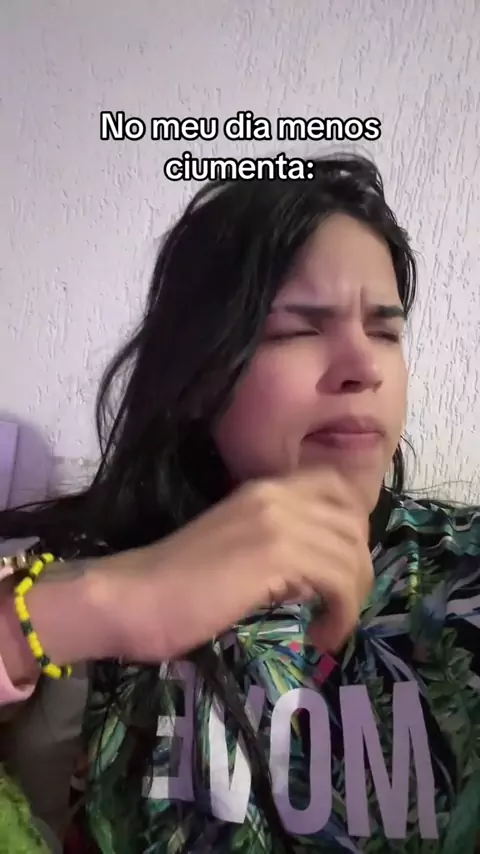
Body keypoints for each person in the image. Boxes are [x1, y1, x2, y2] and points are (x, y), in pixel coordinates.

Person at [0, 152, 479, 854]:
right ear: (198, 377)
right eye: (298, 329)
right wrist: (107, 603)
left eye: (385, 331)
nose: (364, 368)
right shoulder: (84, 572)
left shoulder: (463, 574)